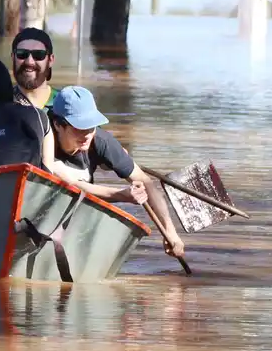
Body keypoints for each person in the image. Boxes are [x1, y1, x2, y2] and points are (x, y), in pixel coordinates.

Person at [46, 86, 187, 259]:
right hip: (46, 208)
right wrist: (121, 195)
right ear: (58, 125)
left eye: (91, 126)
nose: (87, 135)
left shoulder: (102, 141)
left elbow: (145, 181)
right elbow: (71, 185)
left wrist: (170, 232)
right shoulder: (42, 137)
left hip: (76, 213)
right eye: (79, 127)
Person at [10, 27, 57, 109]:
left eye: (38, 54)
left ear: (50, 60)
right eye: (22, 54)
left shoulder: (66, 106)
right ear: (13, 57)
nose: (29, 62)